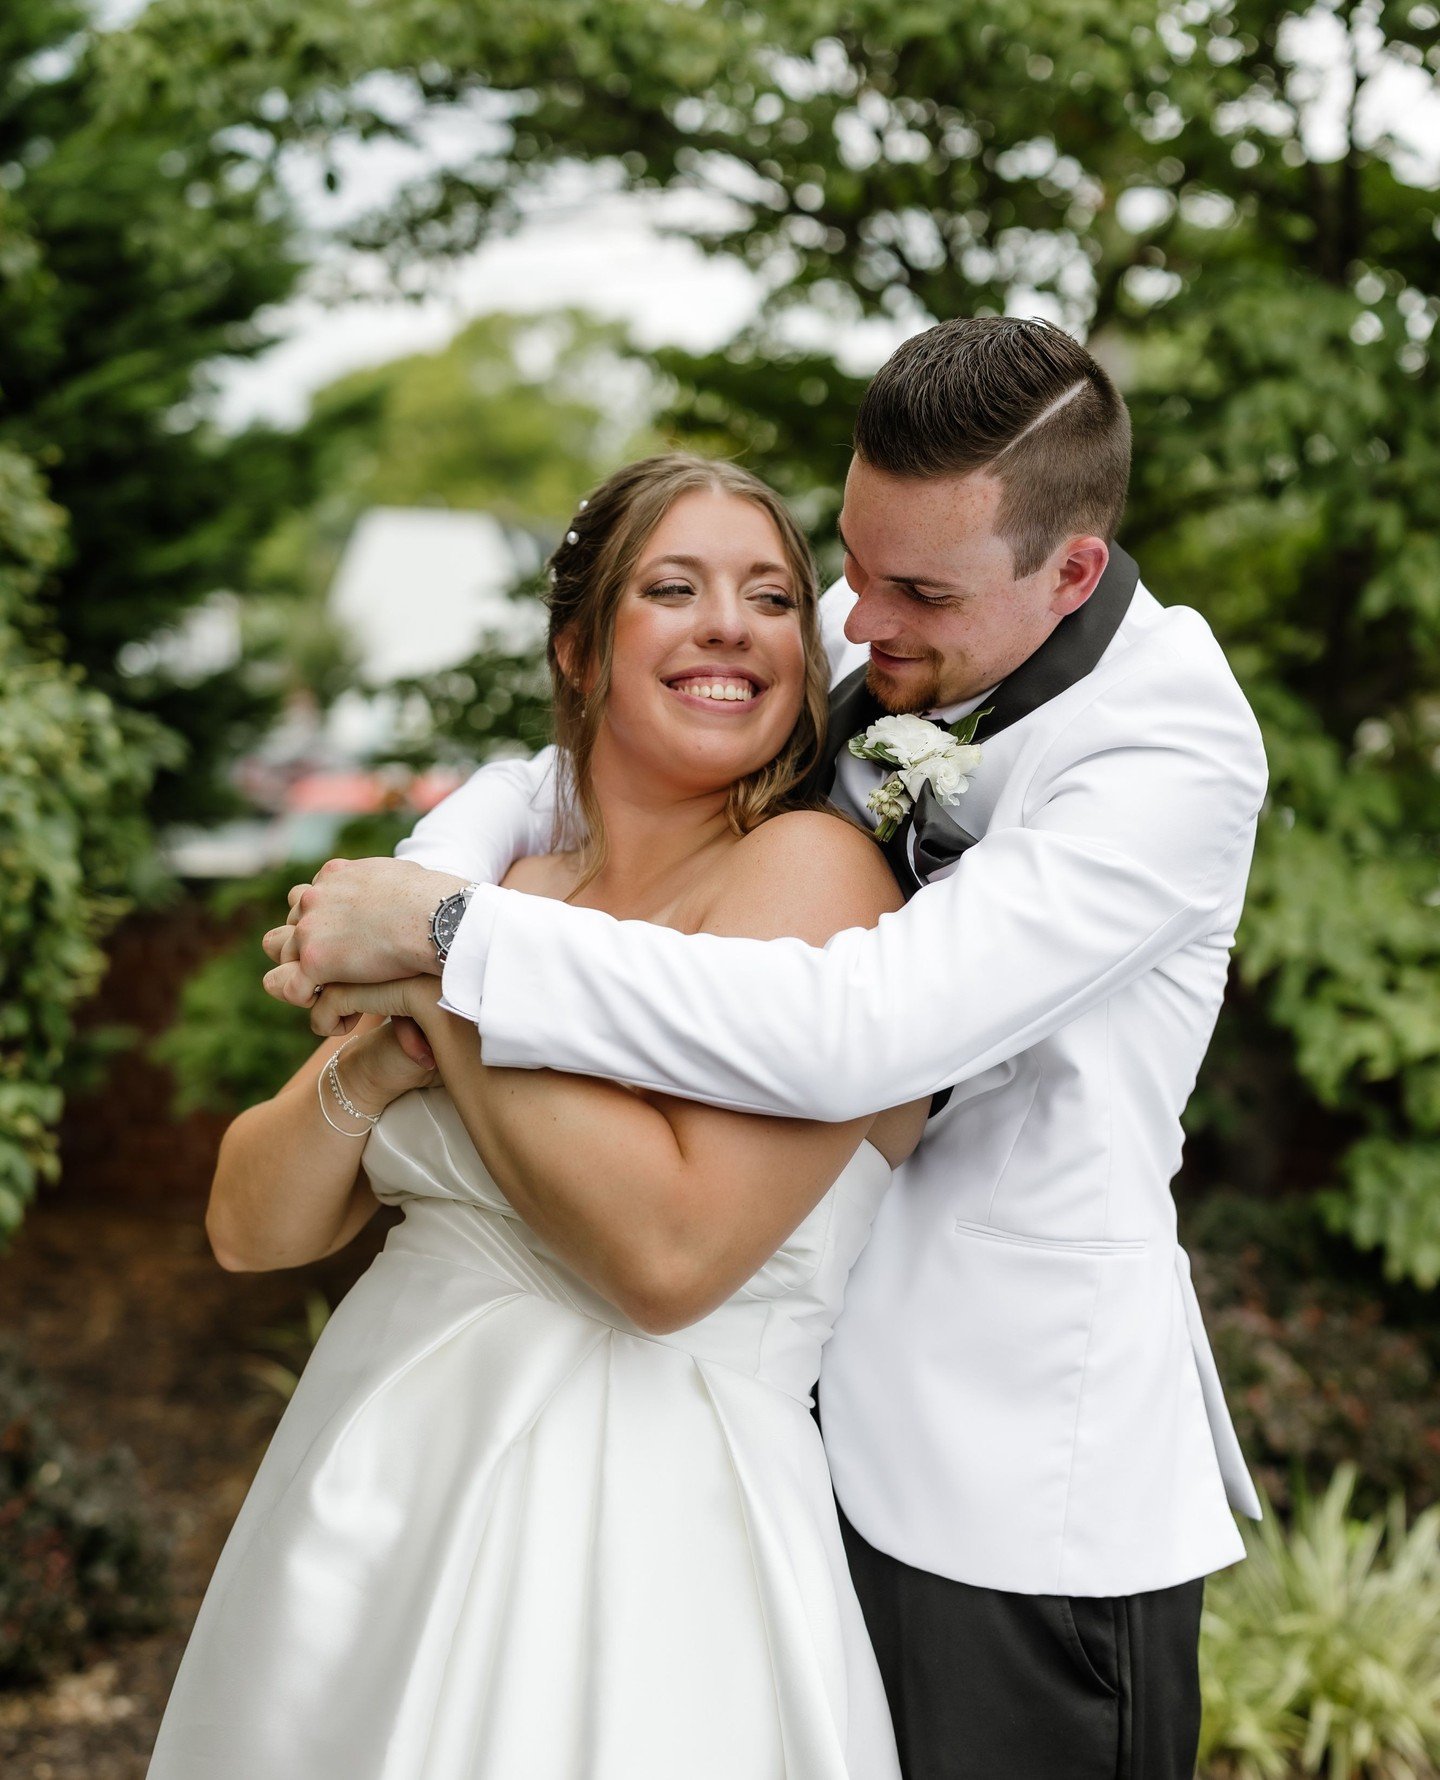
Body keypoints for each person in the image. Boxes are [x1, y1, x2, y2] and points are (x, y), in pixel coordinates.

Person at [268, 316, 1270, 1780]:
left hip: (1015, 1498)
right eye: (854, 566)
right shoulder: (907, 669)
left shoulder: (1168, 751)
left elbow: (856, 1030)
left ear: (1071, 570)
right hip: (794, 1449)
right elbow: (575, 770)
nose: (856, 623)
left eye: (914, 588)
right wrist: (436, 864)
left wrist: (447, 943)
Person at [146, 454, 931, 1779]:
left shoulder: (815, 876)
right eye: (673, 589)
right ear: (580, 649)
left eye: (772, 597)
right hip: (365, 1524)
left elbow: (666, 1263)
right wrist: (384, 1062)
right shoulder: (502, 876)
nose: (730, 626)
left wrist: (444, 980)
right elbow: (247, 1222)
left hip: (648, 1561)